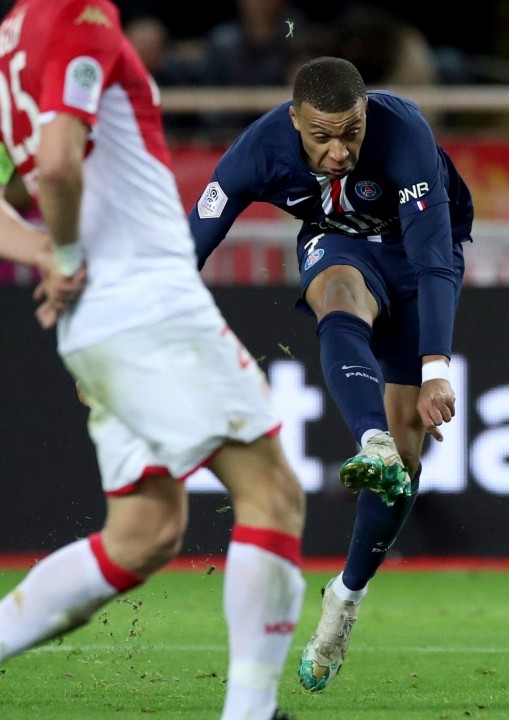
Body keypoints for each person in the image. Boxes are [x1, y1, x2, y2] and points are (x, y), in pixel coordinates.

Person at [0, 2, 307, 720]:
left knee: (143, 533)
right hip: (147, 300)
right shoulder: (79, 12)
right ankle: (250, 714)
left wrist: (45, 252)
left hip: (97, 320)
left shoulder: (8, 43)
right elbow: (56, 163)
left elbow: (24, 178)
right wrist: (66, 251)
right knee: (274, 493)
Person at [189, 56, 473, 692]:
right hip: (338, 243)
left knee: (404, 471)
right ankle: (368, 437)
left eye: (352, 132)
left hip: (419, 252)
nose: (341, 151)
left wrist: (435, 371)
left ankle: (345, 599)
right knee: (337, 294)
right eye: (322, 136)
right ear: (294, 121)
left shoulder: (404, 136)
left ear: (367, 114)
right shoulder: (258, 151)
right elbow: (191, 248)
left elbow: (433, 261)